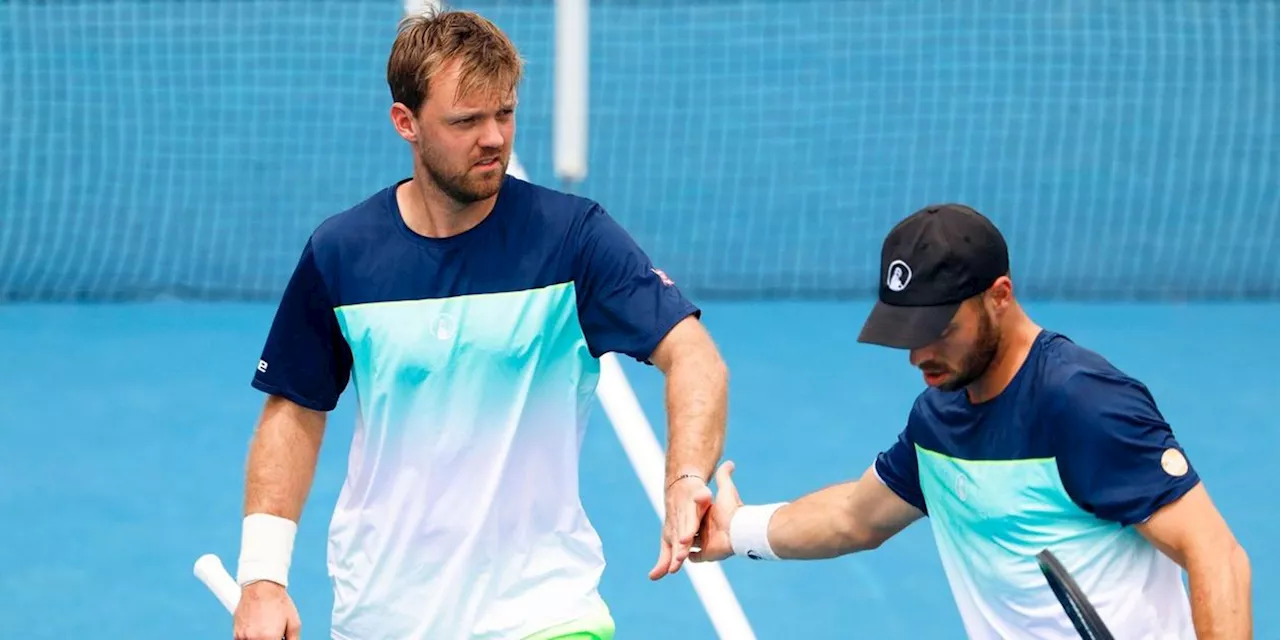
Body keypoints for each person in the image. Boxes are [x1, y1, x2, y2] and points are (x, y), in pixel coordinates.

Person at [231, 9, 727, 640]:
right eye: (466, 120)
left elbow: (694, 356)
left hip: (544, 611)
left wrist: (686, 477)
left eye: (505, 113)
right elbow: (294, 411)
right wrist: (263, 577)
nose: (494, 137)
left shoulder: (573, 239)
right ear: (405, 123)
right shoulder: (342, 253)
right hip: (383, 615)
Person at [684, 204, 1252, 638]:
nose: (917, 355)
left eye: (937, 331)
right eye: (906, 334)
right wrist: (739, 531)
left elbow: (1215, 554)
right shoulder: (940, 417)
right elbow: (854, 518)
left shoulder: (1082, 403)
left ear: (999, 295)